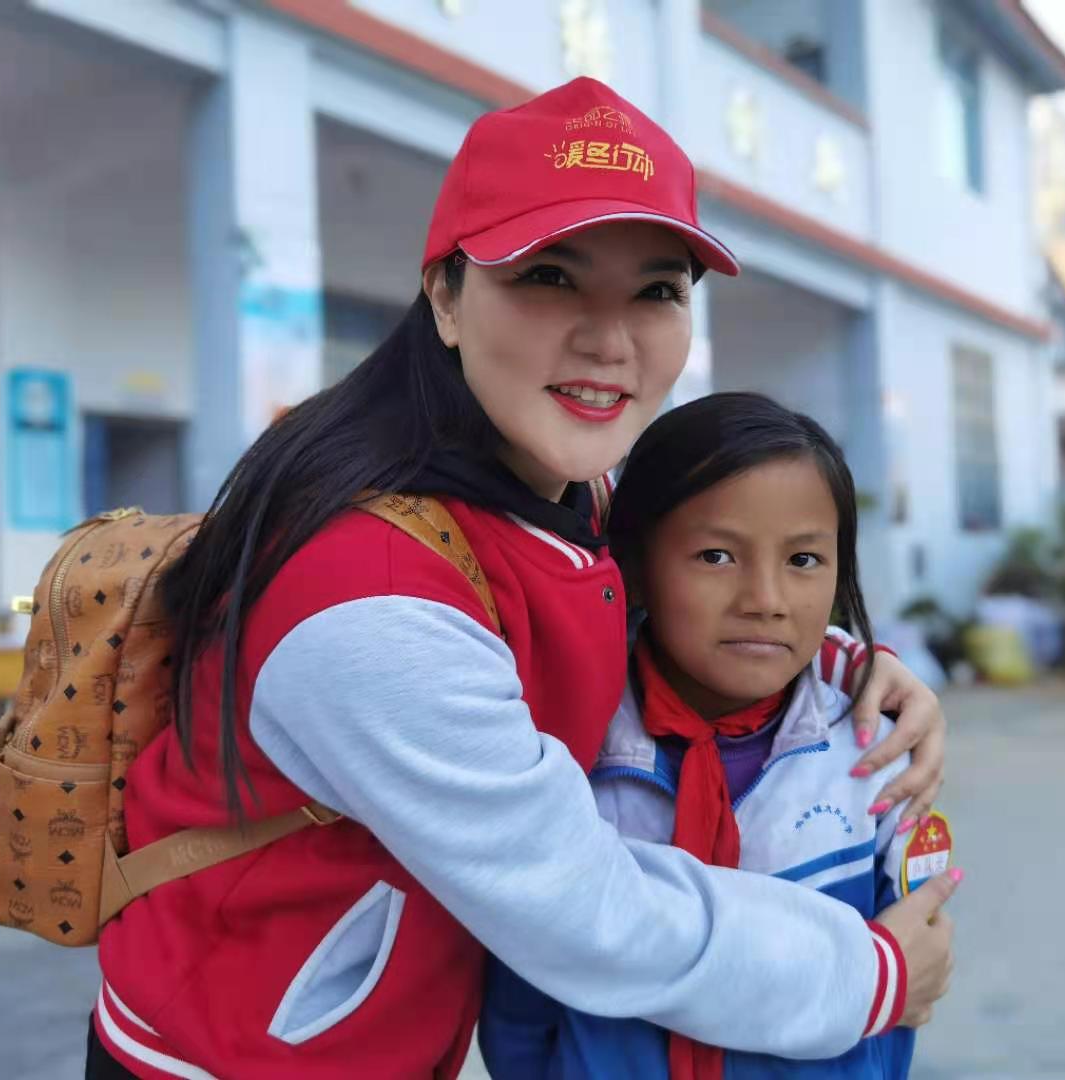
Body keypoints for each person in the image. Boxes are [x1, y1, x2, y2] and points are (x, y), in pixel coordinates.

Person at [88, 78, 955, 1079]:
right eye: (549, 276)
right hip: (224, 1059)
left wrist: (847, 667)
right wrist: (870, 976)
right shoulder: (369, 597)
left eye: (657, 291)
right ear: (446, 297)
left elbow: (679, 593)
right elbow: (587, 911)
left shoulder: (559, 491)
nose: (609, 340)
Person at [481, 393, 958, 1079]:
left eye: (803, 560)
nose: (765, 599)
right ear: (635, 564)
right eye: (715, 555)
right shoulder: (567, 751)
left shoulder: (874, 756)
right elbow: (523, 986)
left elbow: (905, 986)